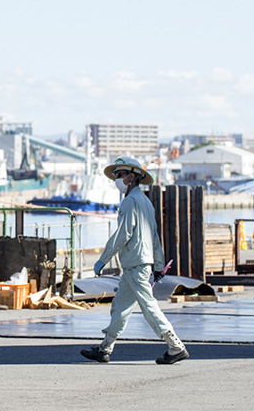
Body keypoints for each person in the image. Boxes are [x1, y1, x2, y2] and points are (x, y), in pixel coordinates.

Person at [80, 156, 189, 365]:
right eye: (116, 175)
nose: (117, 179)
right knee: (120, 307)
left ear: (132, 176)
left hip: (135, 264)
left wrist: (103, 260)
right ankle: (104, 349)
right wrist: (158, 265)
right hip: (139, 264)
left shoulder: (130, 202)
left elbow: (122, 234)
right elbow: (154, 236)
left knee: (149, 306)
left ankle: (176, 346)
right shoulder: (145, 202)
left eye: (120, 175)